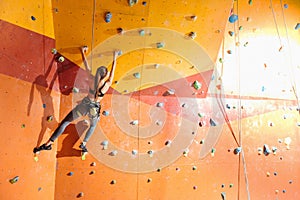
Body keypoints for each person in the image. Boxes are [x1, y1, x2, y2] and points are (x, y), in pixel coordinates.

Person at [33, 46, 118, 154]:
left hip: (84, 104)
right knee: (92, 125)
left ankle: (48, 143)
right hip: (94, 109)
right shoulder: (106, 84)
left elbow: (86, 65)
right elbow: (111, 75)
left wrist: (82, 52)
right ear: (105, 76)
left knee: (65, 123)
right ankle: (84, 143)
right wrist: (115, 57)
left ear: (97, 73)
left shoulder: (91, 78)